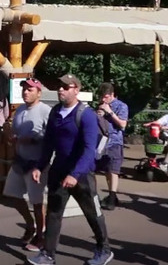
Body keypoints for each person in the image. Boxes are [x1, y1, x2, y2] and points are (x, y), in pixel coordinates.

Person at [28, 74, 112, 265]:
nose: (61, 90)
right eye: (60, 86)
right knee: (54, 213)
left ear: (76, 90)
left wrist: (75, 174)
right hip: (58, 171)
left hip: (81, 174)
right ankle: (48, 254)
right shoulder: (55, 111)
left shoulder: (86, 114)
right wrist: (40, 166)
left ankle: (104, 249)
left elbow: (89, 149)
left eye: (66, 87)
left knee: (92, 213)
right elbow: (49, 143)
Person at [4, 78, 51, 252]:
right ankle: (30, 224)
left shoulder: (46, 110)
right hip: (19, 160)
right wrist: (10, 138)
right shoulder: (20, 110)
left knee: (37, 203)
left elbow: (52, 137)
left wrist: (33, 139)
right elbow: (14, 133)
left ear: (39, 93)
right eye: (24, 89)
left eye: (30, 89)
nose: (26, 92)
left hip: (37, 164)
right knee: (12, 194)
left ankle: (41, 236)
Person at [94, 82, 128, 211]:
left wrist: (109, 112)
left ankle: (112, 197)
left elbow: (122, 124)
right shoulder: (100, 105)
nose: (103, 100)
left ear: (112, 94)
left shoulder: (121, 106)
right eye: (102, 97)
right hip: (101, 142)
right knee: (104, 170)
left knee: (113, 170)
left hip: (114, 142)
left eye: (106, 97)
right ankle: (109, 195)